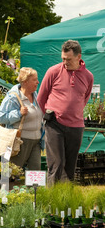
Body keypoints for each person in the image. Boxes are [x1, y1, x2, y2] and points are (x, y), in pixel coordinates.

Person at [37, 40, 94, 185]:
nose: (65, 62)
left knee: (70, 167)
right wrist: (47, 117)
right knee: (56, 164)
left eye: (68, 59)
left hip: (76, 126)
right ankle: (52, 202)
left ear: (78, 57)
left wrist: (73, 112)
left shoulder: (88, 77)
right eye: (63, 58)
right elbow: (41, 98)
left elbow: (84, 99)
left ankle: (66, 203)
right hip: (54, 123)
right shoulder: (53, 71)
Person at [0, 67, 43, 170]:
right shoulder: (13, 97)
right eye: (34, 80)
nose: (38, 82)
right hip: (19, 141)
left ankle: (35, 187)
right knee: (13, 171)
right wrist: (18, 113)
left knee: (36, 169)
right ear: (26, 81)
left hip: (36, 141)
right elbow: (1, 118)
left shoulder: (35, 95)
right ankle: (7, 186)